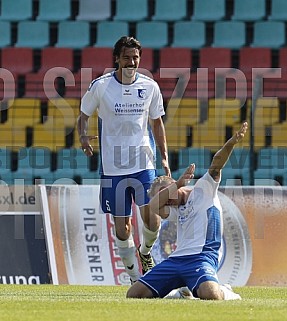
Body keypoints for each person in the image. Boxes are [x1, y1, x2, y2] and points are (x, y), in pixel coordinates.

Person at [77, 36, 171, 283]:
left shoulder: (150, 87)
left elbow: (157, 123)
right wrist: (83, 137)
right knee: (123, 228)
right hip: (113, 168)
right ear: (117, 59)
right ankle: (134, 278)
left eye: (136, 57)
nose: (132, 62)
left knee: (152, 217)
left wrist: (164, 158)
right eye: (127, 57)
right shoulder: (101, 86)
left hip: (143, 163)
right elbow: (83, 115)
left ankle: (146, 251)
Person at [126, 122, 248, 300]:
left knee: (212, 295)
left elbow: (216, 164)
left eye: (164, 192)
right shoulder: (175, 210)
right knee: (134, 294)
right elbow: (152, 206)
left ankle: (226, 291)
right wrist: (177, 184)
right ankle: (181, 293)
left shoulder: (203, 190)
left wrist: (232, 142)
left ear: (170, 185)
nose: (166, 200)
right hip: (176, 260)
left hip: (202, 257)